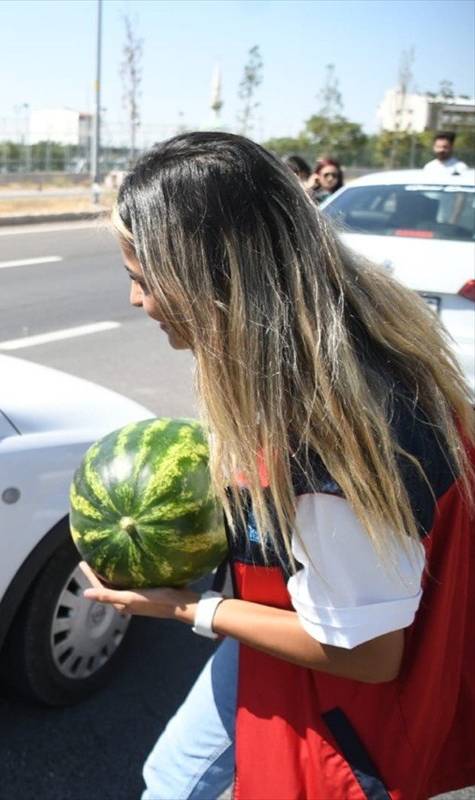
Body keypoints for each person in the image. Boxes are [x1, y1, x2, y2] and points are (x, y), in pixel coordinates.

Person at [82, 131, 475, 799]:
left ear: (209, 280)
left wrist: (185, 609)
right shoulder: (335, 342)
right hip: (281, 639)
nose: (135, 302)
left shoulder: (329, 433)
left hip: (342, 714)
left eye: (142, 279)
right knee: (172, 779)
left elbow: (370, 655)